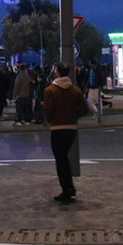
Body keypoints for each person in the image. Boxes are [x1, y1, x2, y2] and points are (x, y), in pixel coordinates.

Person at [42, 64, 85, 202]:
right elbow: (84, 109)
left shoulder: (51, 90)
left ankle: (67, 189)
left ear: (57, 72)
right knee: (64, 157)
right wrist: (73, 116)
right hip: (71, 128)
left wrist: (51, 119)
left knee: (60, 160)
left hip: (57, 128)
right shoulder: (75, 90)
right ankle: (69, 188)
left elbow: (48, 110)